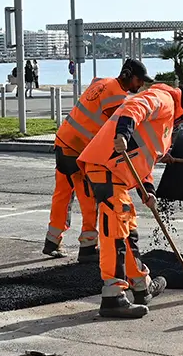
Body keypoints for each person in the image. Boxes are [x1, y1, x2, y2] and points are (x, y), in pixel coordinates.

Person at [75, 80, 183, 319]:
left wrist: (148, 191)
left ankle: (142, 286)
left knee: (128, 230)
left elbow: (144, 161)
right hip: (106, 167)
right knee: (115, 231)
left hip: (118, 174)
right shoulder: (164, 99)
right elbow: (133, 108)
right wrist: (122, 133)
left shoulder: (164, 127)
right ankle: (113, 296)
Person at [45, 59, 150, 260]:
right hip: (77, 150)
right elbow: (116, 130)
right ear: (127, 75)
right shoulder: (116, 97)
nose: (140, 86)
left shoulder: (102, 83)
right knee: (89, 198)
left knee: (62, 194)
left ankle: (52, 240)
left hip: (63, 142)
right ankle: (88, 247)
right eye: (139, 80)